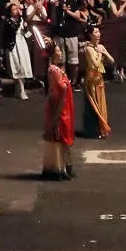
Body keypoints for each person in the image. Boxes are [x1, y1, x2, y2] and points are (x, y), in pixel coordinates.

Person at [43, 41, 76, 180]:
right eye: (58, 51)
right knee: (59, 133)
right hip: (58, 105)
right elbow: (61, 88)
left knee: (63, 133)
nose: (61, 53)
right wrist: (64, 79)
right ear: (53, 54)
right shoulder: (54, 70)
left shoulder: (57, 69)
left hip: (63, 104)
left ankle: (63, 166)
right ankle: (58, 167)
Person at [49, 0, 86, 88]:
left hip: (72, 34)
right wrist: (53, 8)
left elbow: (78, 16)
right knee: (61, 59)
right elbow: (52, 21)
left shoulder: (72, 1)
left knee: (73, 59)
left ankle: (74, 82)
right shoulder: (53, 5)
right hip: (59, 35)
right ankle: (63, 81)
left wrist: (67, 11)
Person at [82, 25, 115, 137]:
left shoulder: (101, 46)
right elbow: (95, 64)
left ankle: (101, 129)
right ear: (91, 35)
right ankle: (92, 130)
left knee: (101, 104)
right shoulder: (88, 48)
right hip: (91, 79)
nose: (99, 34)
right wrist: (100, 53)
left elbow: (112, 60)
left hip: (99, 79)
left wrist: (104, 52)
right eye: (96, 32)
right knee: (92, 105)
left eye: (99, 32)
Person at [3, 2, 33, 100]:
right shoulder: (8, 21)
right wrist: (21, 22)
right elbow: (12, 30)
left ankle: (21, 89)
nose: (17, 11)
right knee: (16, 65)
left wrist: (25, 27)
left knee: (23, 66)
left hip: (22, 44)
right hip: (13, 45)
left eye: (17, 9)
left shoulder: (21, 20)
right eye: (14, 9)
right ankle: (21, 90)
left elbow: (26, 33)